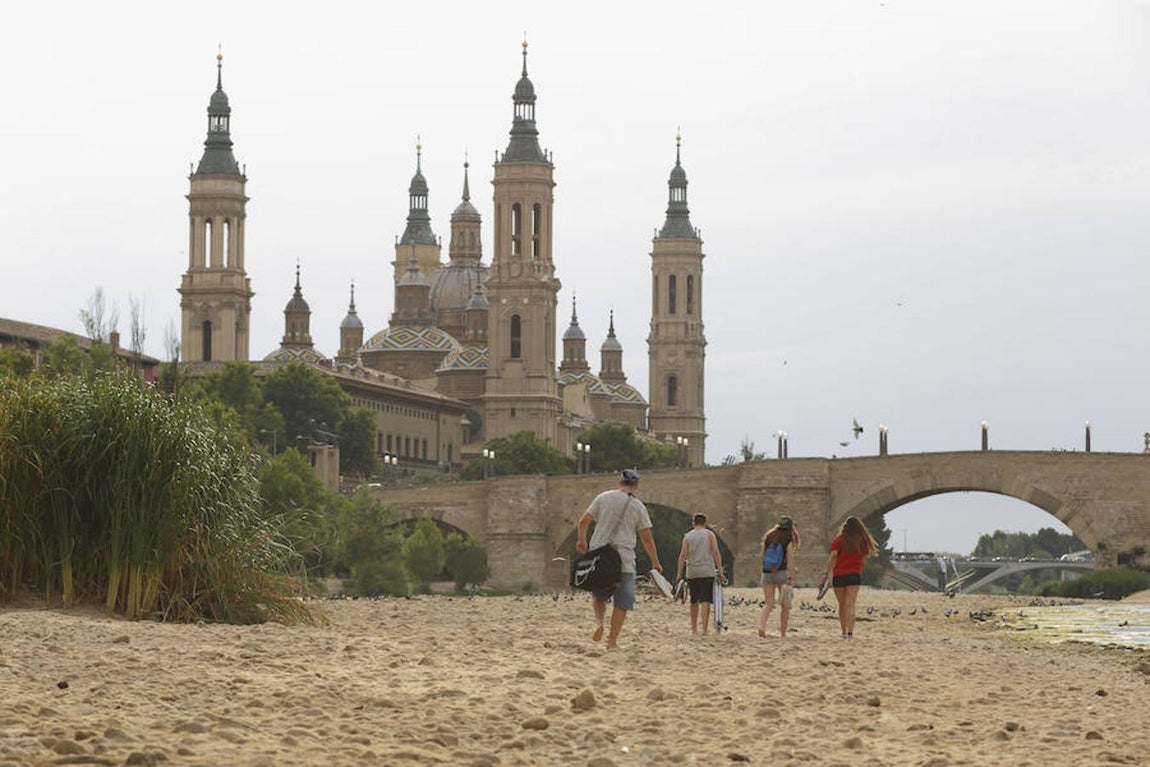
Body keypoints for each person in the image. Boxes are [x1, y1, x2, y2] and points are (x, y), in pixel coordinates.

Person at [576, 469, 663, 650]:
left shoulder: (603, 498)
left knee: (599, 597)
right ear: (636, 485)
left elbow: (583, 521)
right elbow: (647, 538)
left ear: (619, 483)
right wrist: (655, 561)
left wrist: (582, 541)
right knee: (622, 603)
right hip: (624, 560)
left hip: (600, 557)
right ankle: (612, 642)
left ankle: (599, 623)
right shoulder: (638, 506)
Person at [821, 515, 878, 639]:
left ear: (845, 527)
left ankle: (843, 632)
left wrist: (826, 573)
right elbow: (863, 561)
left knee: (842, 605)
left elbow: (833, 557)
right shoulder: (861, 541)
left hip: (839, 575)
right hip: (854, 575)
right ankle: (850, 634)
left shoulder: (839, 540)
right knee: (850, 604)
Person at [675, 513, 723, 635]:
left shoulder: (688, 536)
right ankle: (705, 630)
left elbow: (682, 555)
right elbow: (715, 552)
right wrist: (720, 570)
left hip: (692, 571)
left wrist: (679, 573)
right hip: (707, 570)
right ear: (705, 523)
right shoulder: (710, 535)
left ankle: (694, 629)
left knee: (694, 600)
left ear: (693, 523)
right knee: (705, 600)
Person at [758, 515, 800, 638]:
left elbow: (762, 556)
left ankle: (761, 627)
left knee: (769, 604)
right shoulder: (788, 540)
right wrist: (791, 577)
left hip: (767, 573)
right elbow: (790, 560)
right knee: (785, 605)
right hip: (781, 573)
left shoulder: (769, 538)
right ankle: (783, 633)